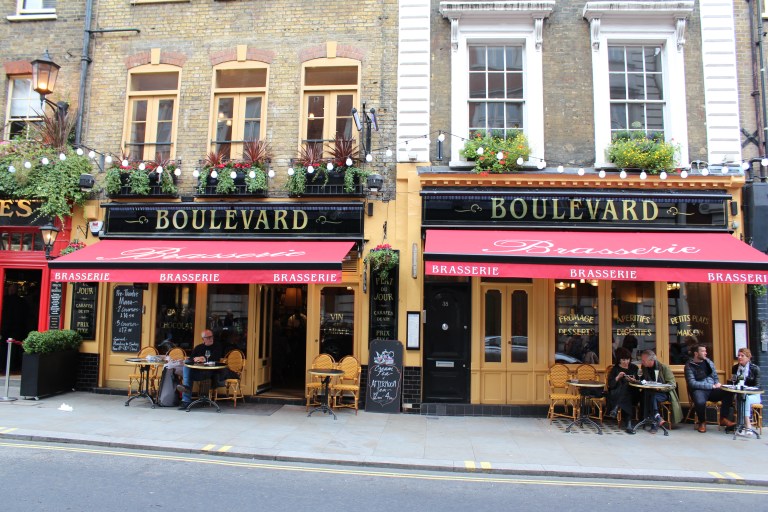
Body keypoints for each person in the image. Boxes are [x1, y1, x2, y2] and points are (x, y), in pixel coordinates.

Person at [684, 344, 735, 433]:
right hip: (699, 390)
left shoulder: (709, 362)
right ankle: (702, 422)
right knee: (699, 401)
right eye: (703, 351)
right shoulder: (689, 366)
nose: (705, 353)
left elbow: (714, 376)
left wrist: (717, 382)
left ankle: (723, 418)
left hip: (712, 390)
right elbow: (692, 383)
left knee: (728, 392)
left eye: (705, 351)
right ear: (696, 353)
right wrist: (711, 386)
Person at [176, 329, 226, 409]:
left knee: (187, 376)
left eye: (211, 336)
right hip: (197, 372)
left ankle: (186, 398)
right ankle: (186, 398)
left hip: (211, 372)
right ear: (203, 339)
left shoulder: (217, 346)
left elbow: (216, 358)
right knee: (187, 364)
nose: (211, 339)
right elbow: (191, 359)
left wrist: (205, 359)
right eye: (208, 337)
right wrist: (195, 359)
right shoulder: (199, 348)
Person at [639, 349, 683, 433]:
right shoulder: (644, 367)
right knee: (646, 395)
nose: (642, 362)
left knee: (653, 397)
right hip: (650, 392)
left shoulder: (663, 368)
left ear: (651, 360)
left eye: (643, 360)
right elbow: (644, 379)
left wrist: (660, 388)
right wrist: (637, 380)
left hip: (663, 393)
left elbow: (672, 384)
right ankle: (657, 417)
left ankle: (654, 423)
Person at [606, 347, 639, 433]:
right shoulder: (615, 369)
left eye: (627, 359)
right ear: (619, 360)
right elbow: (611, 385)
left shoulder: (634, 368)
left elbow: (640, 382)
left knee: (627, 386)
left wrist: (634, 381)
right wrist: (617, 377)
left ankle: (616, 407)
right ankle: (628, 424)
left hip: (633, 393)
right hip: (617, 394)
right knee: (625, 388)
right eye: (623, 360)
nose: (626, 362)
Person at [731, 347, 761, 436]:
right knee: (741, 398)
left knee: (745, 398)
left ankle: (747, 425)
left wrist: (746, 390)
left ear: (748, 357)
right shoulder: (735, 368)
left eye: (742, 356)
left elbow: (758, 386)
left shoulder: (755, 369)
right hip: (741, 394)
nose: (739, 357)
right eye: (738, 355)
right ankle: (742, 426)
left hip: (753, 395)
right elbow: (733, 381)